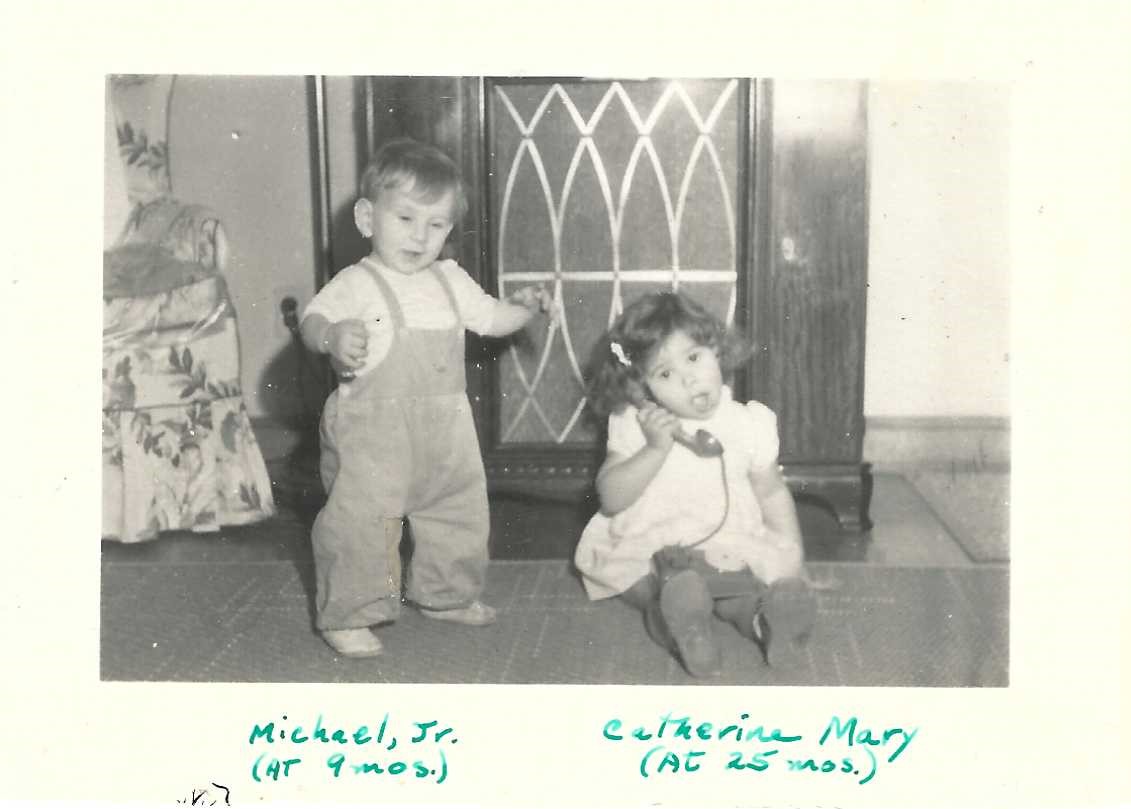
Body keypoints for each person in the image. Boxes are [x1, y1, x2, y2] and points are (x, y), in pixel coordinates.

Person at [300, 137, 551, 658]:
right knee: (363, 521)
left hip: (446, 430)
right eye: (406, 218)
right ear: (367, 218)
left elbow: (491, 318)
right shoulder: (356, 282)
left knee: (457, 511)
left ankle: (445, 594)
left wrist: (523, 309)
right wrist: (331, 337)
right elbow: (312, 321)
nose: (420, 236)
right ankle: (351, 610)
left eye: (436, 224)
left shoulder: (450, 279)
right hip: (374, 429)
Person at [575, 291, 816, 677]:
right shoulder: (635, 425)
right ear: (642, 388)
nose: (688, 379)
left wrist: (792, 557)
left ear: (716, 349)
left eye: (693, 358)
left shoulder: (748, 423)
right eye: (665, 374)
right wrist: (655, 449)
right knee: (654, 589)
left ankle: (765, 623)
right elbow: (611, 497)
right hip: (653, 544)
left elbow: (771, 491)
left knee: (742, 591)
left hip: (728, 541)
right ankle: (681, 626)